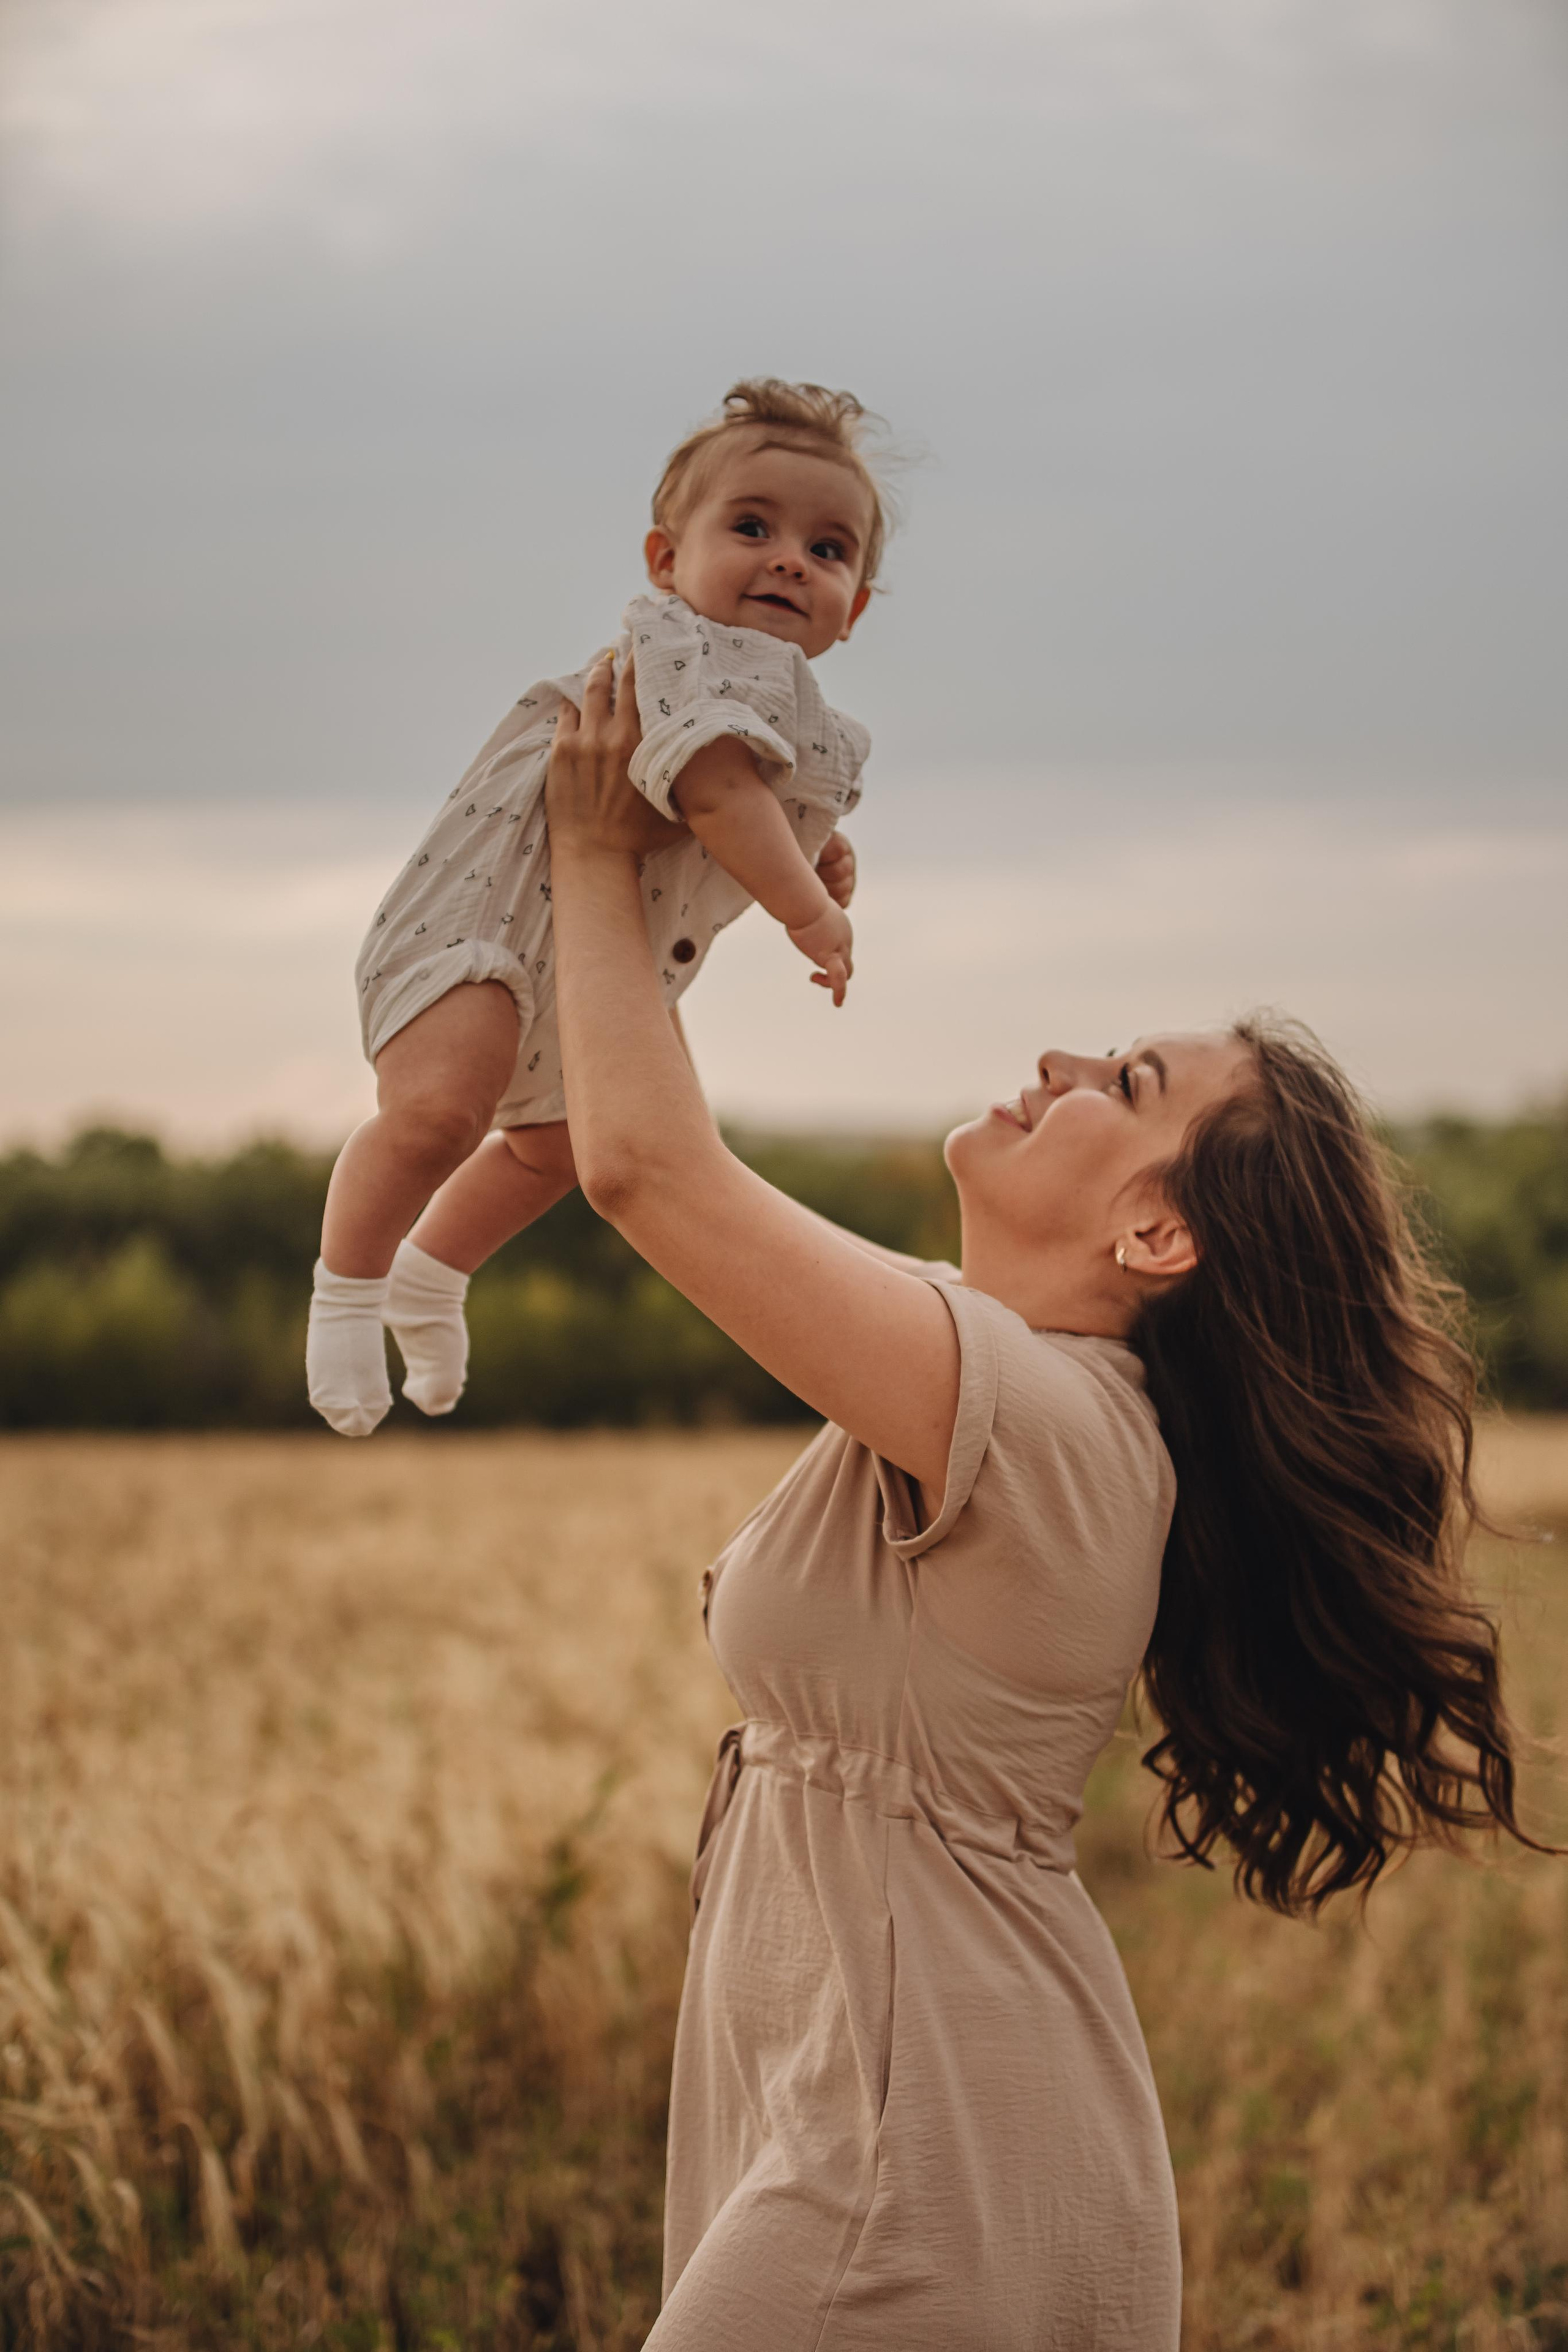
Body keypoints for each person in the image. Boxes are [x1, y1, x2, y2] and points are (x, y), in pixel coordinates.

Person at [539, 655, 1543, 2351]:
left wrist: (586, 855)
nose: (1061, 1056)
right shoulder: (993, 1382)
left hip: (914, 2156)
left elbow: (645, 1168)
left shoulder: (1054, 1425)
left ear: (1161, 1239)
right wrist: (674, 878)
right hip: (868, 2105)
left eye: (1127, 1084)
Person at [307, 380, 885, 1437]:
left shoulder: (790, 708)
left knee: (569, 1144)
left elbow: (750, 804)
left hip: (580, 951)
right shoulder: (682, 651)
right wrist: (809, 910)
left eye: (831, 549)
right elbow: (712, 790)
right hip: (482, 925)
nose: (792, 559)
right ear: (667, 562)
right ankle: (346, 1288)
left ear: (855, 607)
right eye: (752, 527)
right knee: (439, 1113)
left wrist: (816, 849)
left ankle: (433, 1273)